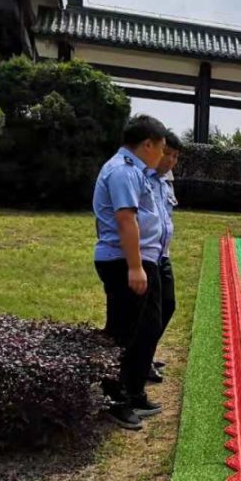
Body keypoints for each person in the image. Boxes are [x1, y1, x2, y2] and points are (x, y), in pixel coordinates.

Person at [92, 114, 169, 430]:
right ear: (147, 144)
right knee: (123, 332)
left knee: (146, 326)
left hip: (143, 259)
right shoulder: (123, 171)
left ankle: (133, 390)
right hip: (124, 261)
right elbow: (126, 220)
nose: (162, 155)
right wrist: (135, 266)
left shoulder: (138, 171)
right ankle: (113, 399)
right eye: (161, 148)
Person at [145, 129, 182, 384]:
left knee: (167, 305)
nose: (170, 160)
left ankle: (147, 352)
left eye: (175, 156)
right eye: (166, 153)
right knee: (148, 313)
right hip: (145, 255)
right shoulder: (140, 176)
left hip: (162, 254)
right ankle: (140, 360)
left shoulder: (166, 178)